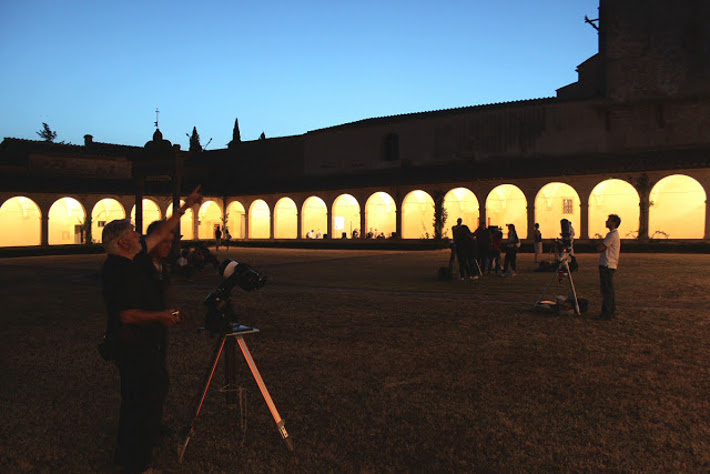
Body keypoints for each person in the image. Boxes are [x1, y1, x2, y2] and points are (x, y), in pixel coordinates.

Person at [100, 185, 203, 473]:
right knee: (141, 403)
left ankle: (127, 456)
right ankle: (137, 464)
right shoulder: (118, 271)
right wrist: (160, 316)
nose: (139, 234)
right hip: (133, 346)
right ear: (123, 242)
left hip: (145, 344)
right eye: (133, 232)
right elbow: (127, 315)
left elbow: (160, 232)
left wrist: (185, 206)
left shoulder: (132, 258)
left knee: (138, 399)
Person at [597, 214, 621, 320]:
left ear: (614, 223)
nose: (606, 222)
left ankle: (606, 313)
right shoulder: (614, 234)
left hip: (607, 264)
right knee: (609, 290)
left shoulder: (612, 234)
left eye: (609, 220)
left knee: (606, 290)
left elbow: (602, 247)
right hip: (610, 264)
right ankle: (611, 310)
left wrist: (597, 246)